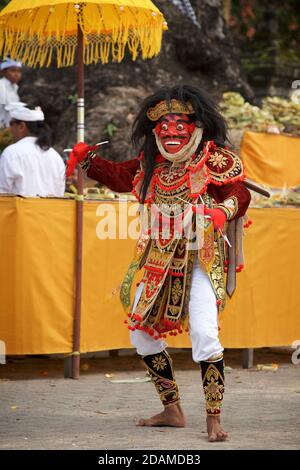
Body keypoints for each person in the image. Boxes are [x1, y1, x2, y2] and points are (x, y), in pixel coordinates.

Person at [67, 85, 251, 442]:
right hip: (159, 261)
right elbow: (121, 176)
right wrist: (88, 159)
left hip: (200, 259)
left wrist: (220, 210)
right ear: (155, 132)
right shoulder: (151, 165)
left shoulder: (214, 159)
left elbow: (238, 193)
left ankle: (214, 418)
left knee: (205, 335)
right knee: (140, 335)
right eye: (163, 128)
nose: (171, 133)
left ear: (196, 127)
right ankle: (172, 409)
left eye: (179, 126)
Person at [0, 102, 65, 197]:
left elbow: (2, 193)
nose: (9, 129)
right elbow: (59, 193)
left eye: (11, 123)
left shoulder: (11, 153)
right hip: (49, 211)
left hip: (20, 211)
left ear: (21, 126)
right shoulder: (55, 156)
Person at [0, 58, 22, 128]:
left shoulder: (15, 87)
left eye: (19, 71)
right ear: (3, 72)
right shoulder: (1, 86)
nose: (17, 74)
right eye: (13, 70)